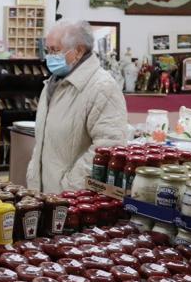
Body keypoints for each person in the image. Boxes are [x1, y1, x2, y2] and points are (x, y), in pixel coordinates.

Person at [27, 20, 127, 193]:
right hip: (45, 195)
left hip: (73, 199)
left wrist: (70, 185)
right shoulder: (52, 84)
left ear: (79, 51)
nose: (49, 57)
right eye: (47, 50)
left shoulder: (102, 87)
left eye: (55, 50)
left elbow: (109, 146)